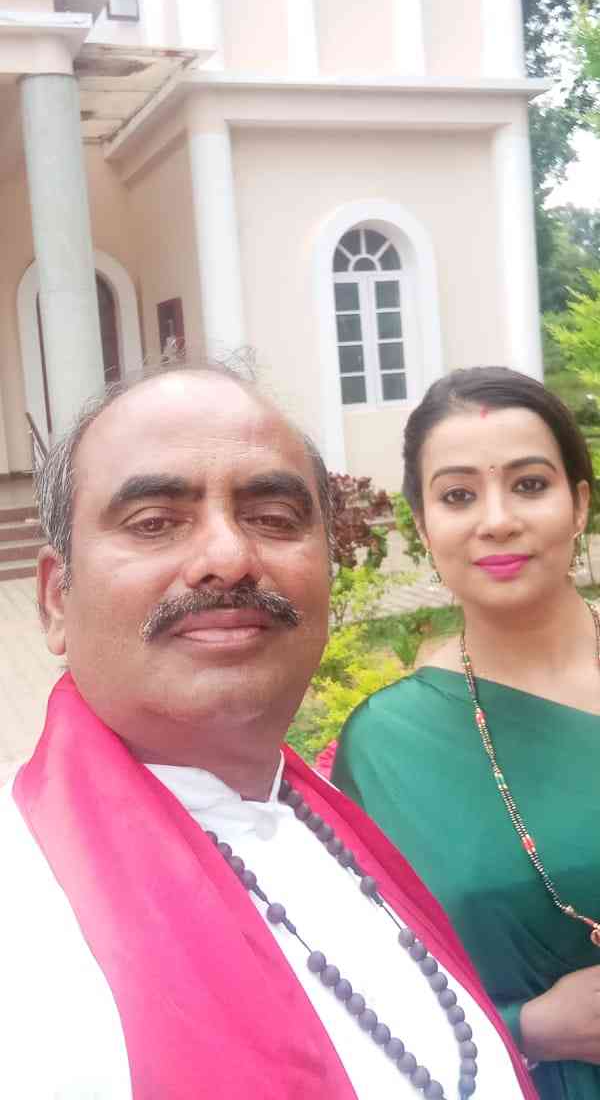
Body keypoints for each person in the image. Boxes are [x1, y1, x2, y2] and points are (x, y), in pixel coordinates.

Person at [0, 363, 533, 1100]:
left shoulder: (321, 817)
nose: (228, 558)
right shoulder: (25, 918)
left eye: (275, 518)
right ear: (57, 600)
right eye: (154, 522)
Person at [333, 366, 600, 1100]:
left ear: (579, 504)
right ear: (423, 526)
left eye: (529, 484)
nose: (497, 520)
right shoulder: (387, 747)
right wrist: (530, 1028)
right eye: (458, 496)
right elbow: (369, 981)